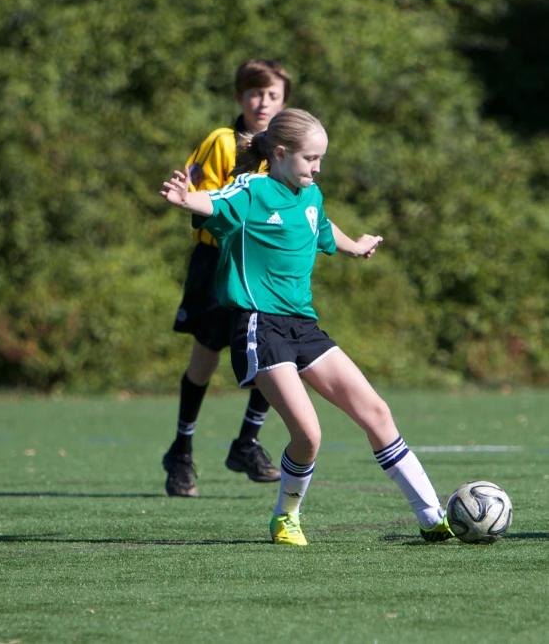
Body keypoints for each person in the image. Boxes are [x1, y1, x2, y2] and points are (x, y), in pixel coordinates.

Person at [159, 108, 455, 546]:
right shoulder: (253, 189)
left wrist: (354, 246)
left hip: (304, 326)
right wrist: (187, 198)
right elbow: (216, 202)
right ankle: (286, 517)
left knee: (376, 412)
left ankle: (433, 516)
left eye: (321, 159)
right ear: (280, 153)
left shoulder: (310, 195)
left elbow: (321, 225)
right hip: (259, 328)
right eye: (310, 159)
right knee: (309, 435)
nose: (316, 168)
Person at [162, 59, 291, 497]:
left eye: (272, 95)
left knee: (277, 354)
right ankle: (180, 452)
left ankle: (247, 443)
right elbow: (200, 201)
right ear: (240, 97)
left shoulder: (286, 149)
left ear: (284, 101)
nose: (263, 102)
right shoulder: (221, 142)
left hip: (263, 268)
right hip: (218, 263)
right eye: (255, 93)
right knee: (205, 359)